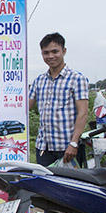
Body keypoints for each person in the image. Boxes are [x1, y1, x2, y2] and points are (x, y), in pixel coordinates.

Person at [29, 32, 90, 167]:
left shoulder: (77, 79)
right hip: (44, 148)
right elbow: (25, 107)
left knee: (69, 181)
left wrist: (74, 143)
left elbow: (83, 113)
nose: (50, 56)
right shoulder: (39, 80)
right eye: (46, 53)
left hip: (67, 148)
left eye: (55, 51)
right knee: (44, 181)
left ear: (64, 51)